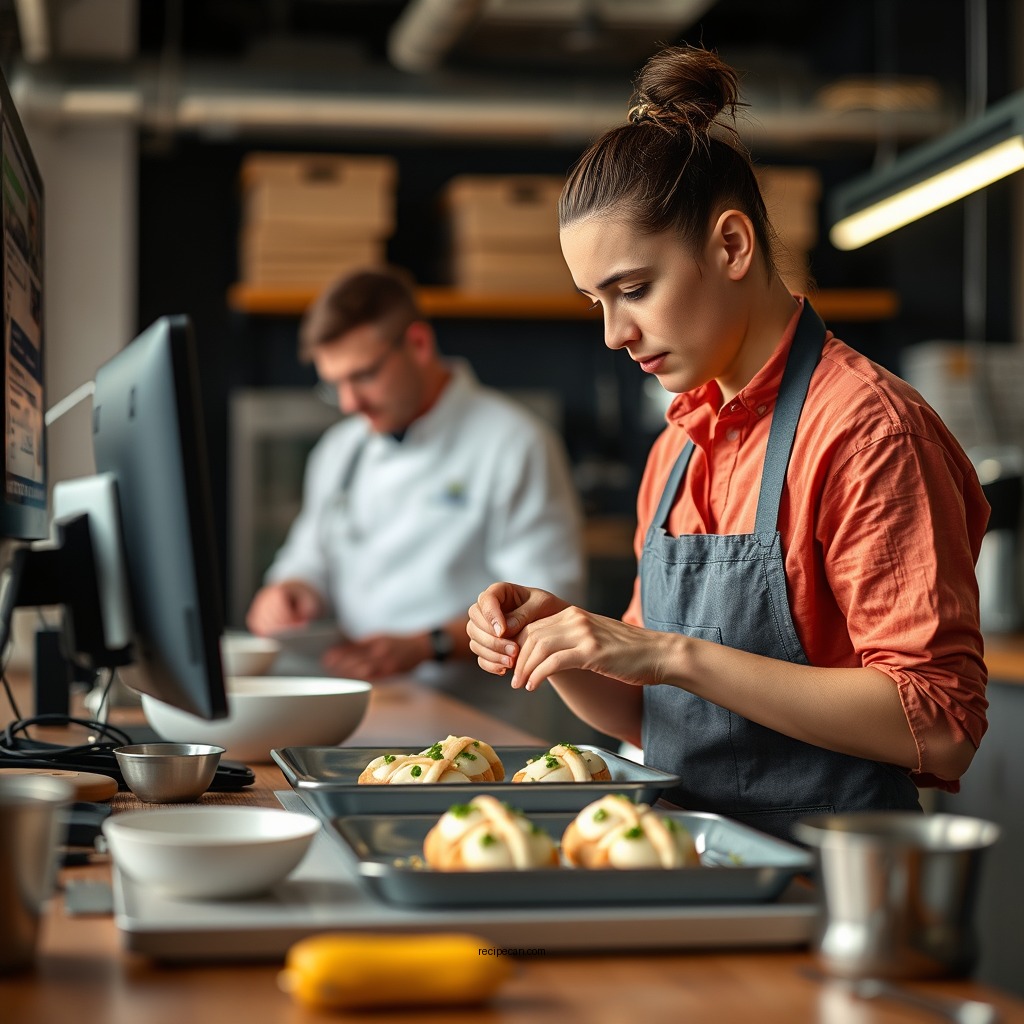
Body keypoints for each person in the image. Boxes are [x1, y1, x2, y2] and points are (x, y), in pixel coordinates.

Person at [467, 45, 991, 841]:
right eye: (595, 303)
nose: (615, 334)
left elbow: (940, 720)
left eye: (635, 289)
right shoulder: (677, 450)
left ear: (733, 246)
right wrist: (567, 643)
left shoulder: (868, 432)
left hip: (825, 887)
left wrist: (671, 654)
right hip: (683, 864)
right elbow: (653, 713)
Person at [246, 266, 586, 704]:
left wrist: (427, 646)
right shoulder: (341, 448)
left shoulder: (515, 443)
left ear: (419, 344)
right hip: (364, 703)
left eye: (364, 375)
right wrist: (290, 591)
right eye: (335, 385)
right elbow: (308, 556)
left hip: (478, 718)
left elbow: (547, 604)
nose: (350, 403)